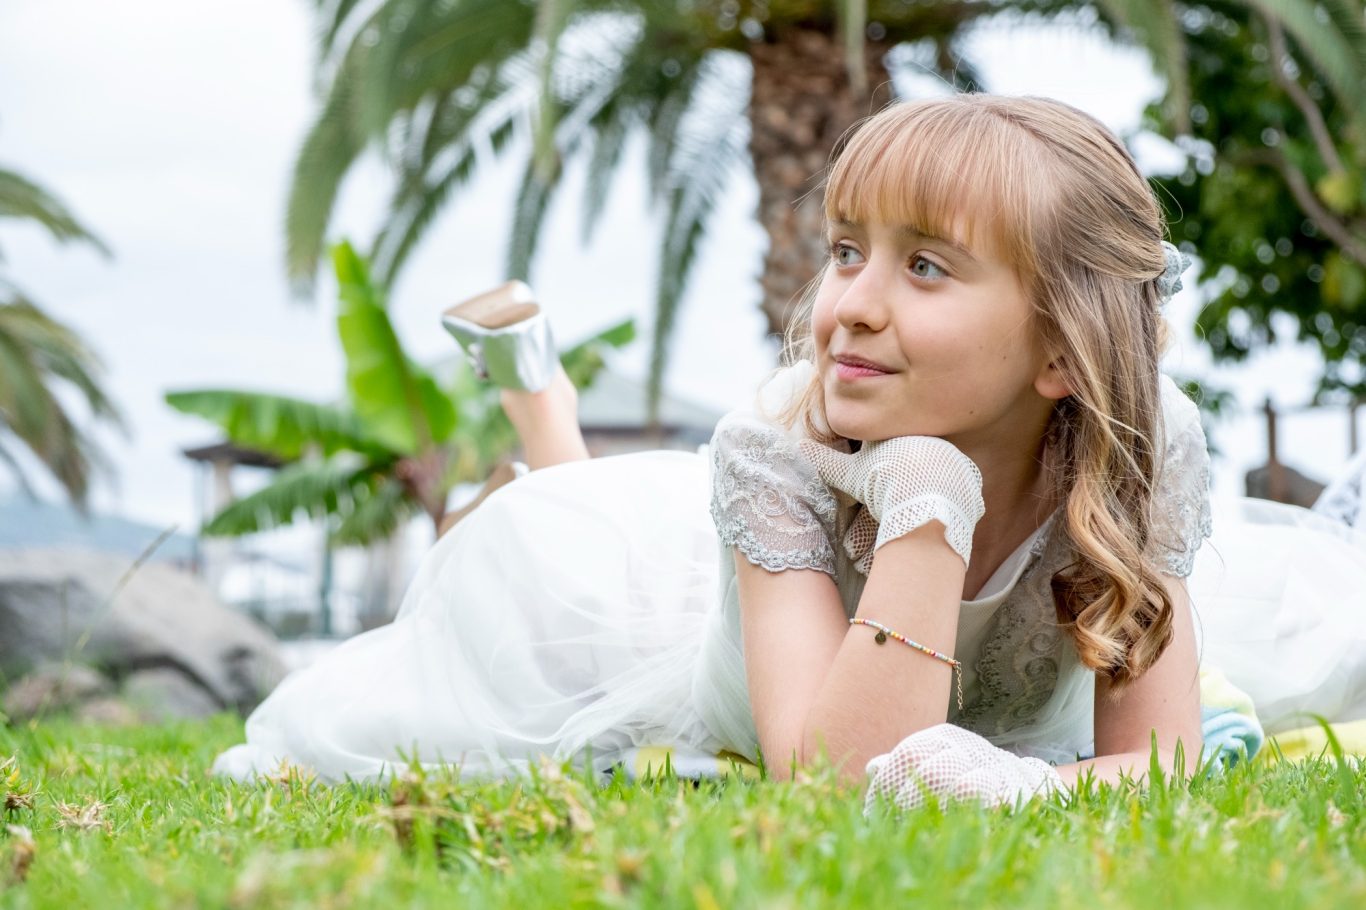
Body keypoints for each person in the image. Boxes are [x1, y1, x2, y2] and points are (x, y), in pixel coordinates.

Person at [213, 95, 1366, 812]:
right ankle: (541, 405)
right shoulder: (776, 441)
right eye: (846, 249)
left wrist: (1021, 787)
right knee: (570, 556)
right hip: (722, 643)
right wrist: (927, 499)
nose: (847, 305)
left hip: (896, 610)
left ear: (1062, 352)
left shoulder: (1139, 439)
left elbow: (1154, 766)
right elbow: (834, 781)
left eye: (923, 267)